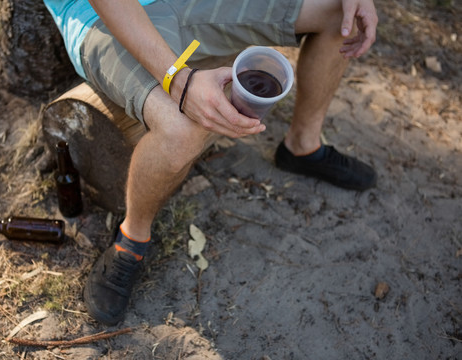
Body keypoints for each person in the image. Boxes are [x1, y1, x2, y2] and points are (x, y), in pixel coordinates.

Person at [43, 0, 379, 326]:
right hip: (104, 15)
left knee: (343, 14)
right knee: (181, 128)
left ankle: (302, 147)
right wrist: (181, 79)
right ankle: (132, 239)